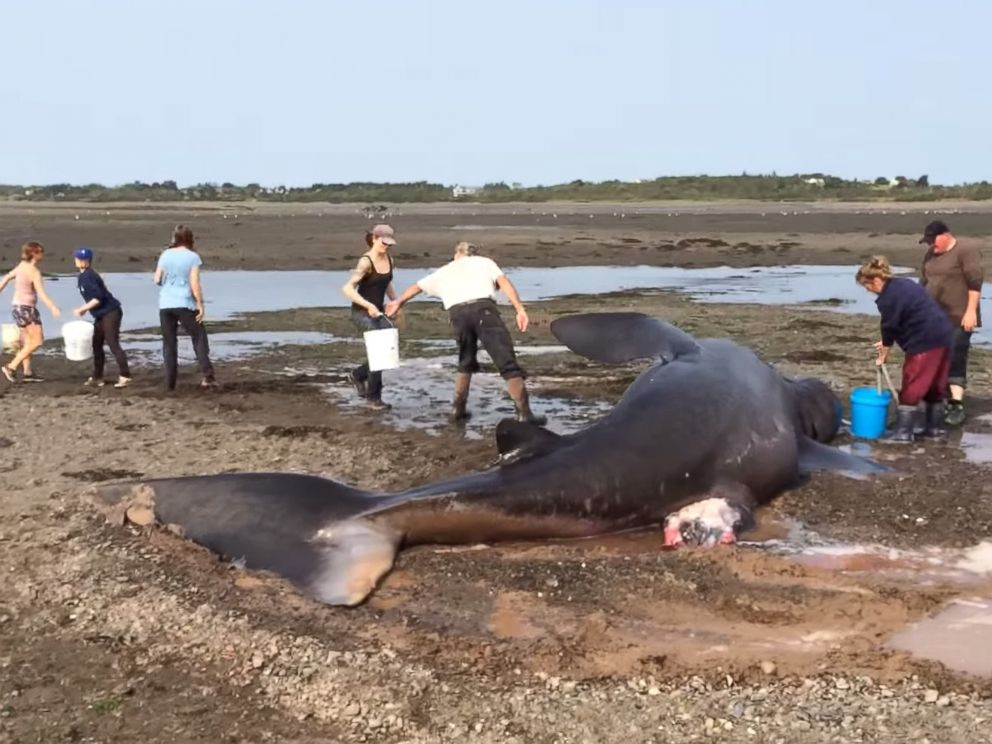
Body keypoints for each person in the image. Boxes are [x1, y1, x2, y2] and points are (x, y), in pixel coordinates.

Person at [386, 241, 546, 425]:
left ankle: (458, 409)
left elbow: (417, 286)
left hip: (458, 314)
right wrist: (519, 309)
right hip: (483, 310)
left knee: (466, 360)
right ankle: (524, 414)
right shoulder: (484, 262)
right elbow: (503, 282)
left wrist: (398, 302)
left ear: (457, 254)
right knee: (506, 361)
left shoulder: (446, 269)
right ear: (473, 253)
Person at [857, 255, 953, 442]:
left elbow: (889, 326)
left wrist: (884, 351)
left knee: (913, 383)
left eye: (866, 285)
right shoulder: (904, 284)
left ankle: (903, 433)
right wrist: (887, 341)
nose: (868, 290)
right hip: (943, 334)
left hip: (924, 340)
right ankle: (934, 430)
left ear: (876, 279)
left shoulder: (888, 298)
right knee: (935, 384)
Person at [917, 220, 984, 427]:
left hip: (959, 315)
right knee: (934, 356)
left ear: (945, 235)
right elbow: (924, 282)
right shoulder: (930, 255)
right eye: (927, 241)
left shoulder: (966, 250)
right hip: (933, 317)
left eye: (933, 240)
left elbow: (975, 282)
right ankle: (938, 399)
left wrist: (971, 311)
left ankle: (956, 404)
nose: (931, 245)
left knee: (956, 355)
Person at [341, 223, 397, 410]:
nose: (386, 246)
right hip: (361, 313)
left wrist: (395, 302)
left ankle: (357, 375)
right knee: (378, 352)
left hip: (379, 312)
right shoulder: (365, 262)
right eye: (383, 242)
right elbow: (347, 289)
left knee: (387, 351)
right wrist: (368, 305)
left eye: (389, 244)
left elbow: (386, 282)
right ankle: (374, 398)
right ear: (374, 238)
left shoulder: (390, 260)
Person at [154, 225, 217, 390]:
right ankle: (208, 376)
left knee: (169, 343)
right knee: (198, 337)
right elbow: (195, 283)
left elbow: (157, 279)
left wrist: (167, 282)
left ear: (174, 238)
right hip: (184, 303)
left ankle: (170, 384)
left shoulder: (165, 254)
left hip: (165, 304)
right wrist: (200, 304)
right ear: (189, 239)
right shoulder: (192, 257)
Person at [0, 241, 61, 383]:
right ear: (34, 254)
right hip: (27, 309)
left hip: (17, 308)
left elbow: (7, 278)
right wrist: (52, 307)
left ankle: (28, 372)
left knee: (27, 340)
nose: (43, 254)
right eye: (40, 252)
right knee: (37, 341)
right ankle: (11, 366)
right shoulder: (34, 272)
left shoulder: (21, 267)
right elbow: (41, 293)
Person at [71, 246, 132, 388]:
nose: (77, 260)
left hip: (111, 312)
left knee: (112, 343)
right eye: (77, 257)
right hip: (101, 314)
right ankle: (97, 377)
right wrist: (87, 308)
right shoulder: (84, 276)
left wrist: (82, 309)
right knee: (96, 344)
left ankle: (125, 375)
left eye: (80, 259)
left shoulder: (88, 276)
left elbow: (98, 297)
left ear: (86, 262)